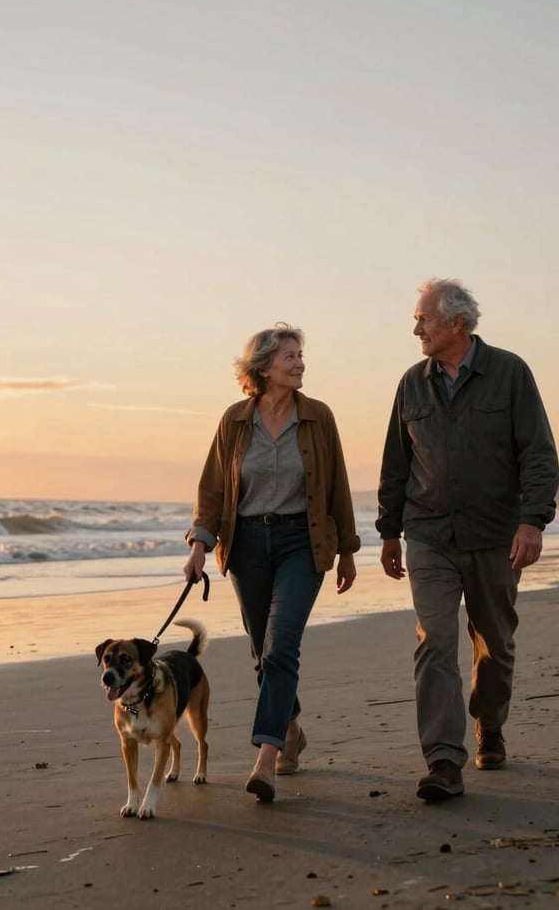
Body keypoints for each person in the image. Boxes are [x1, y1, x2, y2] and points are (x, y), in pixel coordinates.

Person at [376, 278, 559, 802]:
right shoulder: (412, 383)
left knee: (494, 645)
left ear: (456, 321)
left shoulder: (510, 373)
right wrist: (390, 530)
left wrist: (533, 521)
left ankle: (491, 722)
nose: (416, 328)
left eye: (423, 319)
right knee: (434, 641)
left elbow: (539, 454)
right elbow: (396, 463)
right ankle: (442, 760)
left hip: (496, 536)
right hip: (429, 534)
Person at [183, 323, 359, 803]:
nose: (299, 362)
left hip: (303, 543)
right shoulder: (235, 420)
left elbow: (338, 485)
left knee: (282, 646)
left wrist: (347, 549)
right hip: (246, 546)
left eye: (301, 354)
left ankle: (266, 758)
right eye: (289, 356)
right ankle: (293, 729)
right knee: (264, 654)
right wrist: (200, 544)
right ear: (262, 367)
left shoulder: (319, 417)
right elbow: (214, 489)